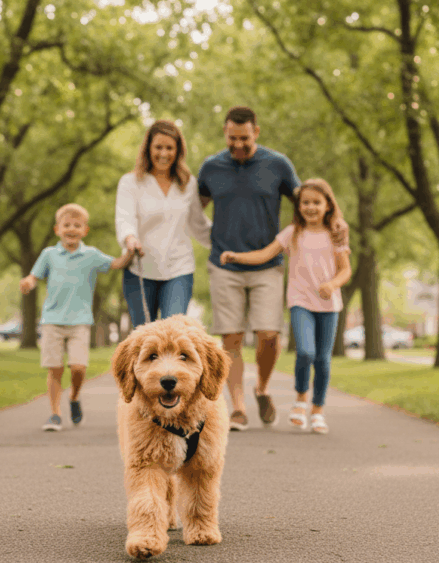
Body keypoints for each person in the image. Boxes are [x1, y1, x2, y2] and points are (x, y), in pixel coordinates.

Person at [221, 178, 352, 434]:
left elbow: (345, 270)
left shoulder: (335, 233)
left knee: (323, 360)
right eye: (305, 202)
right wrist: (236, 256)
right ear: (298, 205)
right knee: (305, 353)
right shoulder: (293, 233)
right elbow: (265, 254)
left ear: (327, 205)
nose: (310, 207)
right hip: (300, 302)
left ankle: (317, 411)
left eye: (316, 202)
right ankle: (301, 400)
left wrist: (333, 284)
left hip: (328, 305)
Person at [198, 106, 300, 431]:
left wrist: (334, 224)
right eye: (232, 139)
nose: (238, 145)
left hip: (267, 263)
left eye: (244, 138)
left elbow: (308, 203)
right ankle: (238, 407)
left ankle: (263, 388)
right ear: (225, 134)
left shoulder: (277, 164)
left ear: (257, 131)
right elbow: (190, 210)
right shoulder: (211, 167)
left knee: (269, 334)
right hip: (224, 263)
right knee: (232, 337)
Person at [20, 203, 134, 431]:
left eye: (77, 225)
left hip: (80, 321)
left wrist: (131, 250)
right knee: (55, 369)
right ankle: (54, 414)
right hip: (52, 320)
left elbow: (116, 263)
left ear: (85, 230)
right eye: (67, 225)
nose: (71, 229)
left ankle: (73, 397)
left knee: (78, 367)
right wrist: (28, 282)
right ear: (57, 229)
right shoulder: (49, 254)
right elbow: (34, 276)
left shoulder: (90, 255)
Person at [115, 119, 211, 328]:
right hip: (140, 269)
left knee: (173, 332)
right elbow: (124, 218)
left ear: (178, 151)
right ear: (148, 148)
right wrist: (130, 239)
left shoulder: (187, 183)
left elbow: (198, 224)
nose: (163, 153)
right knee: (144, 337)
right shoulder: (130, 182)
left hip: (179, 267)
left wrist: (226, 240)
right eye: (158, 147)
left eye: (170, 148)